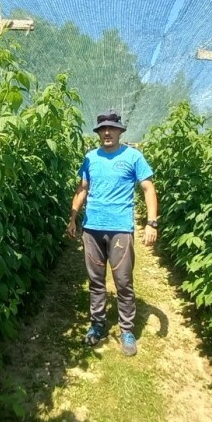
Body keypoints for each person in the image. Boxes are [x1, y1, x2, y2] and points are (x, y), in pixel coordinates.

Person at [66, 111, 158, 356]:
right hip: (92, 229)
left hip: (120, 230)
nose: (107, 133)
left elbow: (148, 188)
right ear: (98, 133)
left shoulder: (133, 157)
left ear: (120, 131)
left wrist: (151, 223)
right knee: (96, 281)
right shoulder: (90, 158)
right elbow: (82, 188)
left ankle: (126, 329)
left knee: (123, 282)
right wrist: (73, 216)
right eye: (102, 130)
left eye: (111, 129)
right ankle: (97, 324)